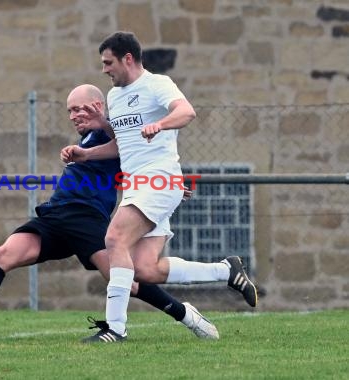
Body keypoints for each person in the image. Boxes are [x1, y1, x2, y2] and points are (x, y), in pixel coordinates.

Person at [0, 84, 221, 340]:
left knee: (127, 281)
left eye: (81, 109)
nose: (74, 116)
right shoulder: (86, 140)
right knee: (4, 253)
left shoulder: (117, 135)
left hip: (86, 218)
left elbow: (129, 143)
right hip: (55, 215)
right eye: (70, 111)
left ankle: (187, 315)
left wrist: (165, 182)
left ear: (98, 107)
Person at [61, 31, 257, 343]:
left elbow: (186, 112)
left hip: (160, 181)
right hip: (140, 185)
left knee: (114, 239)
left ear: (128, 59)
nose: (104, 70)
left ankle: (115, 329)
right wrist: (86, 153)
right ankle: (226, 271)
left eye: (108, 62)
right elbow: (121, 146)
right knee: (144, 270)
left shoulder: (157, 84)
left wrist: (160, 124)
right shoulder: (115, 97)